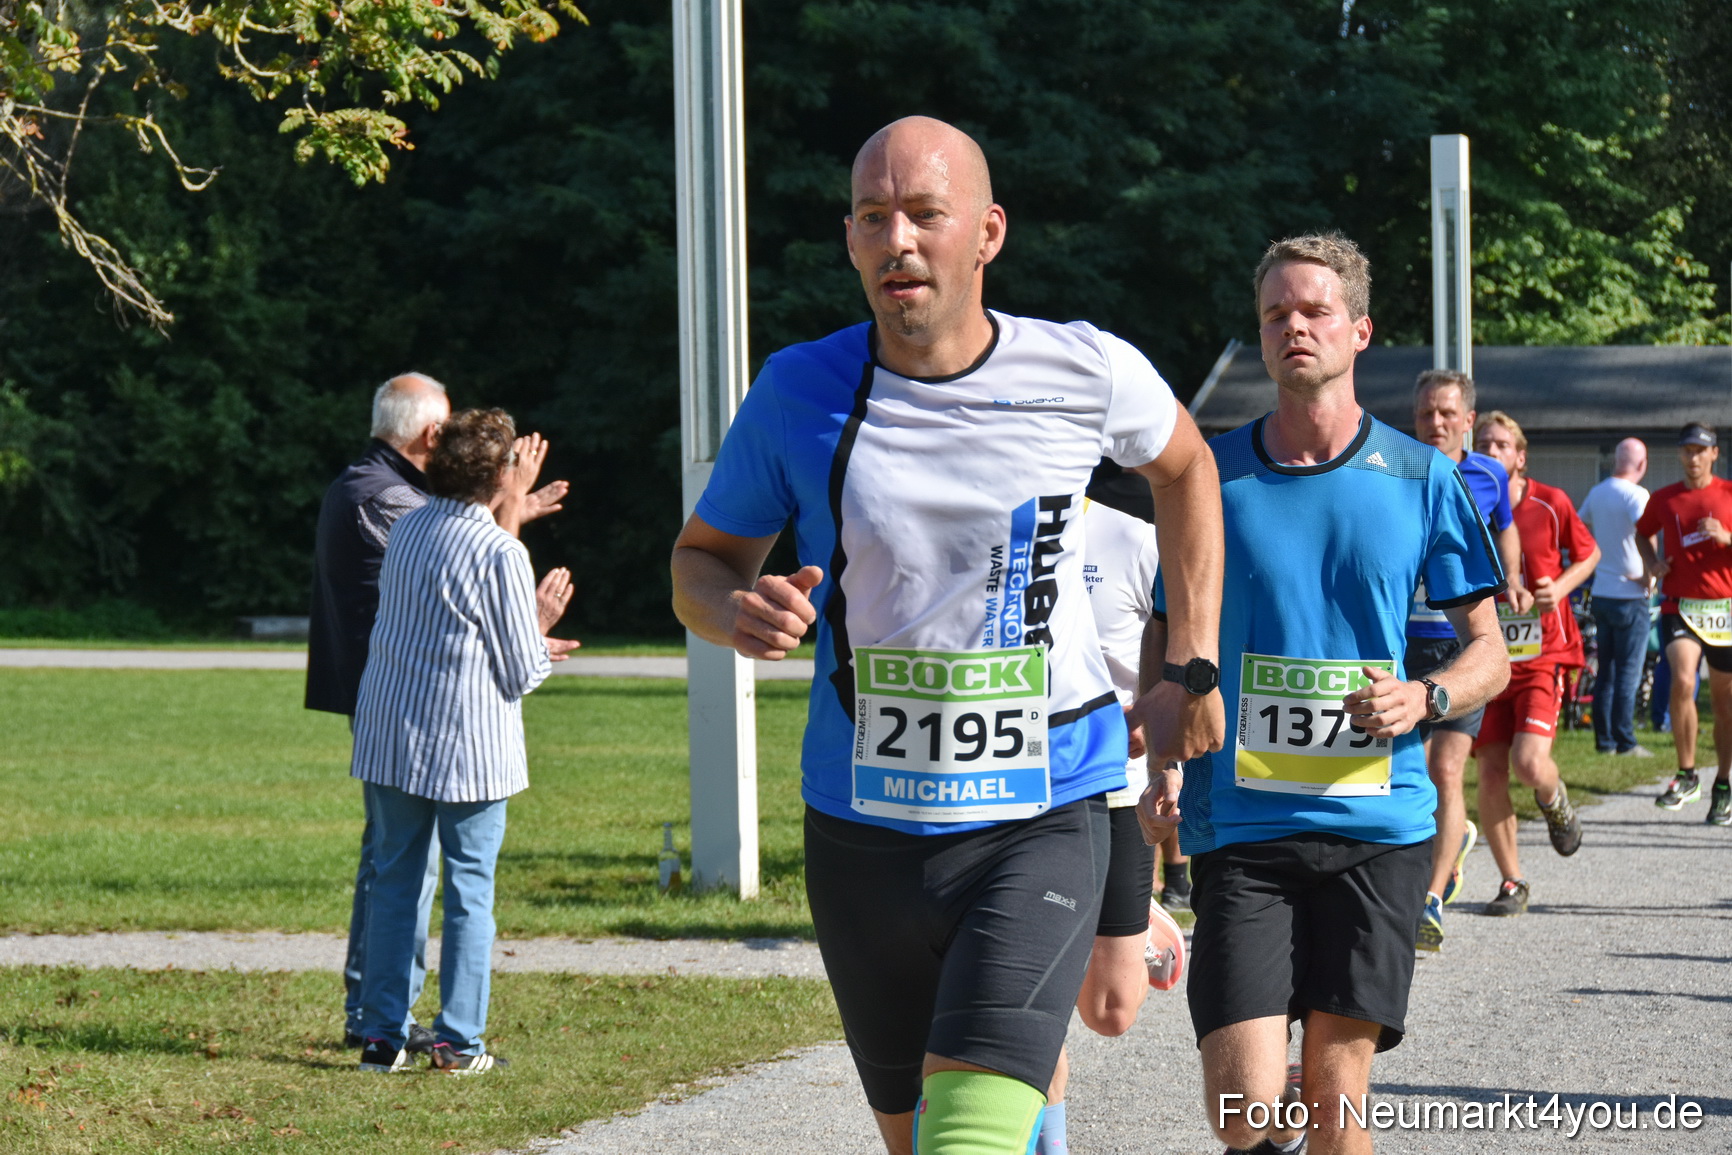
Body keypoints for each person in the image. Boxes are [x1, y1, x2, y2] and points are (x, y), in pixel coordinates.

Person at [669, 116, 1225, 1155]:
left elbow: (1187, 469)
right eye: (874, 218)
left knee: (967, 1137)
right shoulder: (799, 389)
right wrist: (730, 610)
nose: (899, 241)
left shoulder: (1083, 370)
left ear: (987, 233)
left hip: (1042, 810)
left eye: (925, 214)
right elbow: (699, 563)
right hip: (862, 829)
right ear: (849, 240)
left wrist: (1189, 663)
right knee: (915, 1137)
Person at [1138, 232, 1508, 1155]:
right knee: (1241, 1111)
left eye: (1313, 312)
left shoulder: (1421, 477)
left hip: (1376, 828)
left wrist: (1424, 698)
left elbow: (1488, 652)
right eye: (1275, 314)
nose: (1293, 327)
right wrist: (1163, 748)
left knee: (1339, 1098)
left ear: (1359, 331)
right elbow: (1164, 629)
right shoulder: (1209, 475)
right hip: (1244, 827)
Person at [306, 373, 566, 1049]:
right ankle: (458, 1040)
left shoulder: (410, 527)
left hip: (391, 737)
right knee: (470, 890)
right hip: (468, 750)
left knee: (394, 884)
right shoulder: (500, 551)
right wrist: (537, 624)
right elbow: (520, 670)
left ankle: (382, 1034)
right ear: (505, 471)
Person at [1030, 497, 1188, 1155]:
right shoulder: (988, 532)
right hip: (1019, 799)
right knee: (1027, 1005)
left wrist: (1166, 754)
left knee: (1111, 1009)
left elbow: (1176, 650)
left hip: (1117, 794)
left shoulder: (1135, 541)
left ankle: (1142, 914)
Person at [1406, 369, 1530, 951]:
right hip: (1404, 640)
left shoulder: (1487, 474)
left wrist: (1516, 579)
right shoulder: (1396, 467)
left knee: (1446, 770)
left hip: (1464, 645)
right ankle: (1434, 860)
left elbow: (1506, 531)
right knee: (1404, 772)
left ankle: (1428, 901)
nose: (1436, 423)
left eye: (1447, 414)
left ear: (1468, 420)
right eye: (1427, 413)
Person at [1470, 411, 1596, 916]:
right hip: (1485, 654)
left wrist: (1558, 589)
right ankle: (1511, 881)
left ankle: (1554, 797)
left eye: (1501, 444)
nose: (1492, 450)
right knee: (1492, 771)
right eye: (1484, 443)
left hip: (1544, 652)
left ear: (1520, 457)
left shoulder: (1551, 501)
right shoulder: (1466, 499)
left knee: (1528, 762)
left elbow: (1588, 555)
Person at [1637, 422, 1732, 825]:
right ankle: (1687, 773)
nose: (1692, 457)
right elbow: (1642, 534)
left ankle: (1724, 783)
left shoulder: (1728, 494)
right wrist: (1652, 563)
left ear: (1714, 454)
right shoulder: (1664, 498)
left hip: (1724, 610)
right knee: (1681, 679)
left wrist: (1727, 537)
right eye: (1686, 450)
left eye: (1700, 450)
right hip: (1679, 606)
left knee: (1726, 705)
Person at [1578, 438, 1653, 757]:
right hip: (1631, 594)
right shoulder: (1637, 495)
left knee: (1606, 670)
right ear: (1642, 464)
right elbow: (1646, 533)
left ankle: (1604, 741)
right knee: (1629, 671)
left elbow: (1580, 525)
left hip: (1603, 593)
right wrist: (1649, 575)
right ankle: (1626, 741)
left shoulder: (1598, 492)